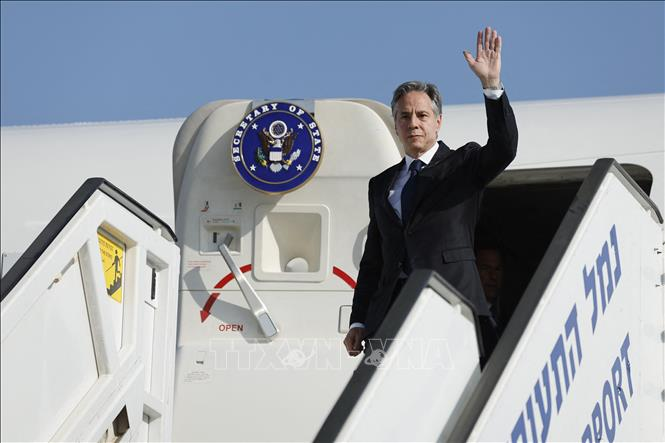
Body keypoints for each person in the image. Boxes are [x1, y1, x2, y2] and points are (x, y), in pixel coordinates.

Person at [343, 27, 518, 361]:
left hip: (450, 305)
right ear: (395, 125)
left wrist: (491, 87)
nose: (413, 123)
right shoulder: (381, 184)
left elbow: (505, 148)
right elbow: (374, 260)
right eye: (404, 116)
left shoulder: (462, 164)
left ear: (438, 122)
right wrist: (360, 318)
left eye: (422, 115)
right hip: (390, 317)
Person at [476, 245, 505, 332]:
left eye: (497, 269)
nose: (493, 276)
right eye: (485, 268)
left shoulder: (512, 316)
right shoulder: (463, 312)